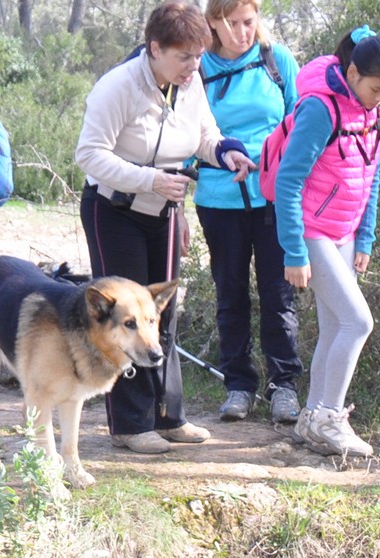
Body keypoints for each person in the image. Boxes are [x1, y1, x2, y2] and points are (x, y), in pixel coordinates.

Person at [74, 1, 252, 454]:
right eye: (184, 57)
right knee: (129, 317)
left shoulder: (190, 84)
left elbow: (206, 135)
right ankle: (130, 425)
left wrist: (226, 152)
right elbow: (89, 155)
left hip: (165, 212)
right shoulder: (117, 86)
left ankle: (169, 417)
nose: (194, 67)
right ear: (155, 48)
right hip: (114, 212)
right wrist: (149, 179)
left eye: (198, 56)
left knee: (162, 315)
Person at [272, 25, 380, 461]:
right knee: (357, 323)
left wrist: (365, 236)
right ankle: (329, 417)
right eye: (376, 88)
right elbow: (288, 182)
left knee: (335, 327)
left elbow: (372, 175)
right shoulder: (319, 109)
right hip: (312, 230)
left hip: (345, 232)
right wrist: (294, 250)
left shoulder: (371, 112)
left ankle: (311, 418)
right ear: (353, 73)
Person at [196, 0, 301, 424]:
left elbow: (300, 120)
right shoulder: (196, 68)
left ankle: (284, 387)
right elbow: (185, 133)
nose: (243, 32)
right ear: (213, 23)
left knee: (279, 295)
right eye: (233, 24)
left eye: (249, 22)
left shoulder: (277, 60)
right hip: (218, 200)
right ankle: (238, 386)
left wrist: (281, 167)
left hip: (275, 199)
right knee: (230, 294)